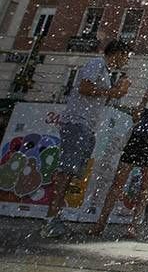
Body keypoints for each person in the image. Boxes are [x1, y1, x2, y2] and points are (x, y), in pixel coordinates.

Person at [41, 40, 132, 238]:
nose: (126, 60)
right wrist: (112, 91)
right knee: (65, 172)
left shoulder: (106, 72)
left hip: (86, 127)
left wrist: (116, 90)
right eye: (125, 56)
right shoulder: (96, 64)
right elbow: (84, 87)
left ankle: (55, 218)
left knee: (71, 172)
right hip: (77, 123)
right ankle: (50, 220)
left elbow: (99, 96)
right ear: (116, 53)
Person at [89, 67, 148, 238]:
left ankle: (133, 226)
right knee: (117, 183)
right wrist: (143, 103)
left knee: (145, 188)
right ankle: (101, 223)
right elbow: (136, 118)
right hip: (137, 138)